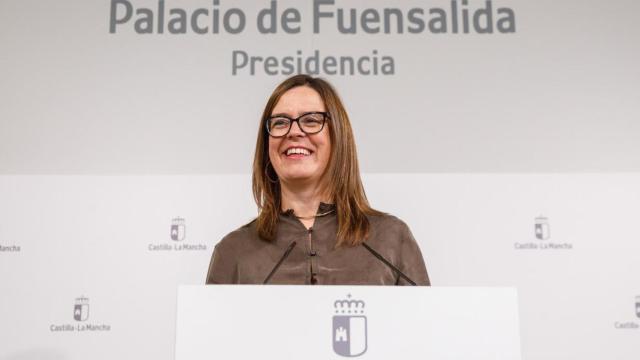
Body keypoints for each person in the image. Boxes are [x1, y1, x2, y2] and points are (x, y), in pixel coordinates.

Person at [206, 74, 430, 285]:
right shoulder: (232, 252)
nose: (293, 132)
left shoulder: (391, 240)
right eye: (280, 122)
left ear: (338, 136)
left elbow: (424, 325)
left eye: (311, 120)